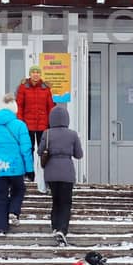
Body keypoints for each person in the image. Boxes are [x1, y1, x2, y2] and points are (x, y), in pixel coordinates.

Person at [0, 101, 33, 233]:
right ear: (14, 111)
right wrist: (30, 169)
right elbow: (26, 149)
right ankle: (14, 211)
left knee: (0, 197)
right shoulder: (20, 125)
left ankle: (2, 227)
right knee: (19, 190)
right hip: (16, 167)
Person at [39, 104, 83, 245]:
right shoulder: (72, 134)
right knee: (66, 202)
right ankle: (62, 229)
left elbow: (40, 151)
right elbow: (79, 154)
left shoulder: (47, 133)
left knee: (55, 201)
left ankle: (54, 226)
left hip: (51, 172)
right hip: (67, 172)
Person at [15, 67, 55, 186]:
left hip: (43, 125)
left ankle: (45, 175)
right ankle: (29, 174)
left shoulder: (45, 88)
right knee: (28, 150)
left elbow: (50, 107)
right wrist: (21, 122)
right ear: (30, 74)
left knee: (44, 151)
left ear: (40, 74)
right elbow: (19, 106)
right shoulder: (23, 87)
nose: (35, 74)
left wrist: (50, 123)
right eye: (33, 72)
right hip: (27, 125)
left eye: (37, 72)